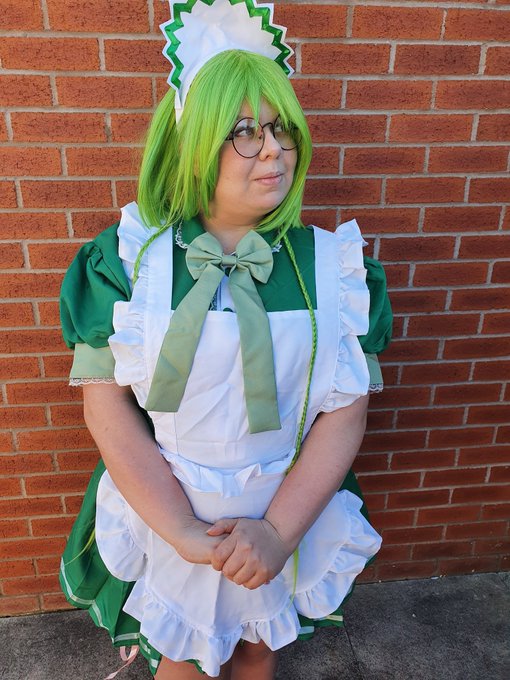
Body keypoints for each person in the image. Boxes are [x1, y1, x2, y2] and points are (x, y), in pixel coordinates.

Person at [59, 2, 392, 678]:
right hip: (169, 507)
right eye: (243, 131)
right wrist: (180, 529)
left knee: (256, 650)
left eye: (280, 127)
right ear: (191, 144)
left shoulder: (335, 271)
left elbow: (346, 411)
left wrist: (279, 532)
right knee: (182, 658)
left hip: (283, 508)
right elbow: (106, 404)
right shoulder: (128, 262)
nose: (272, 148)